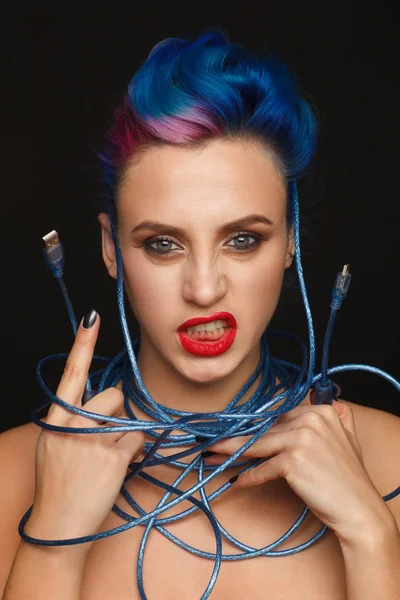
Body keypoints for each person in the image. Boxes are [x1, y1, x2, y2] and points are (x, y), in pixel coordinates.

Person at [1, 28, 400, 600]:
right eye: (163, 244)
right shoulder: (9, 480)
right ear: (112, 248)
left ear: (290, 241)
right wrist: (52, 538)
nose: (205, 288)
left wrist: (373, 539)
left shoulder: (391, 467)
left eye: (242, 239)